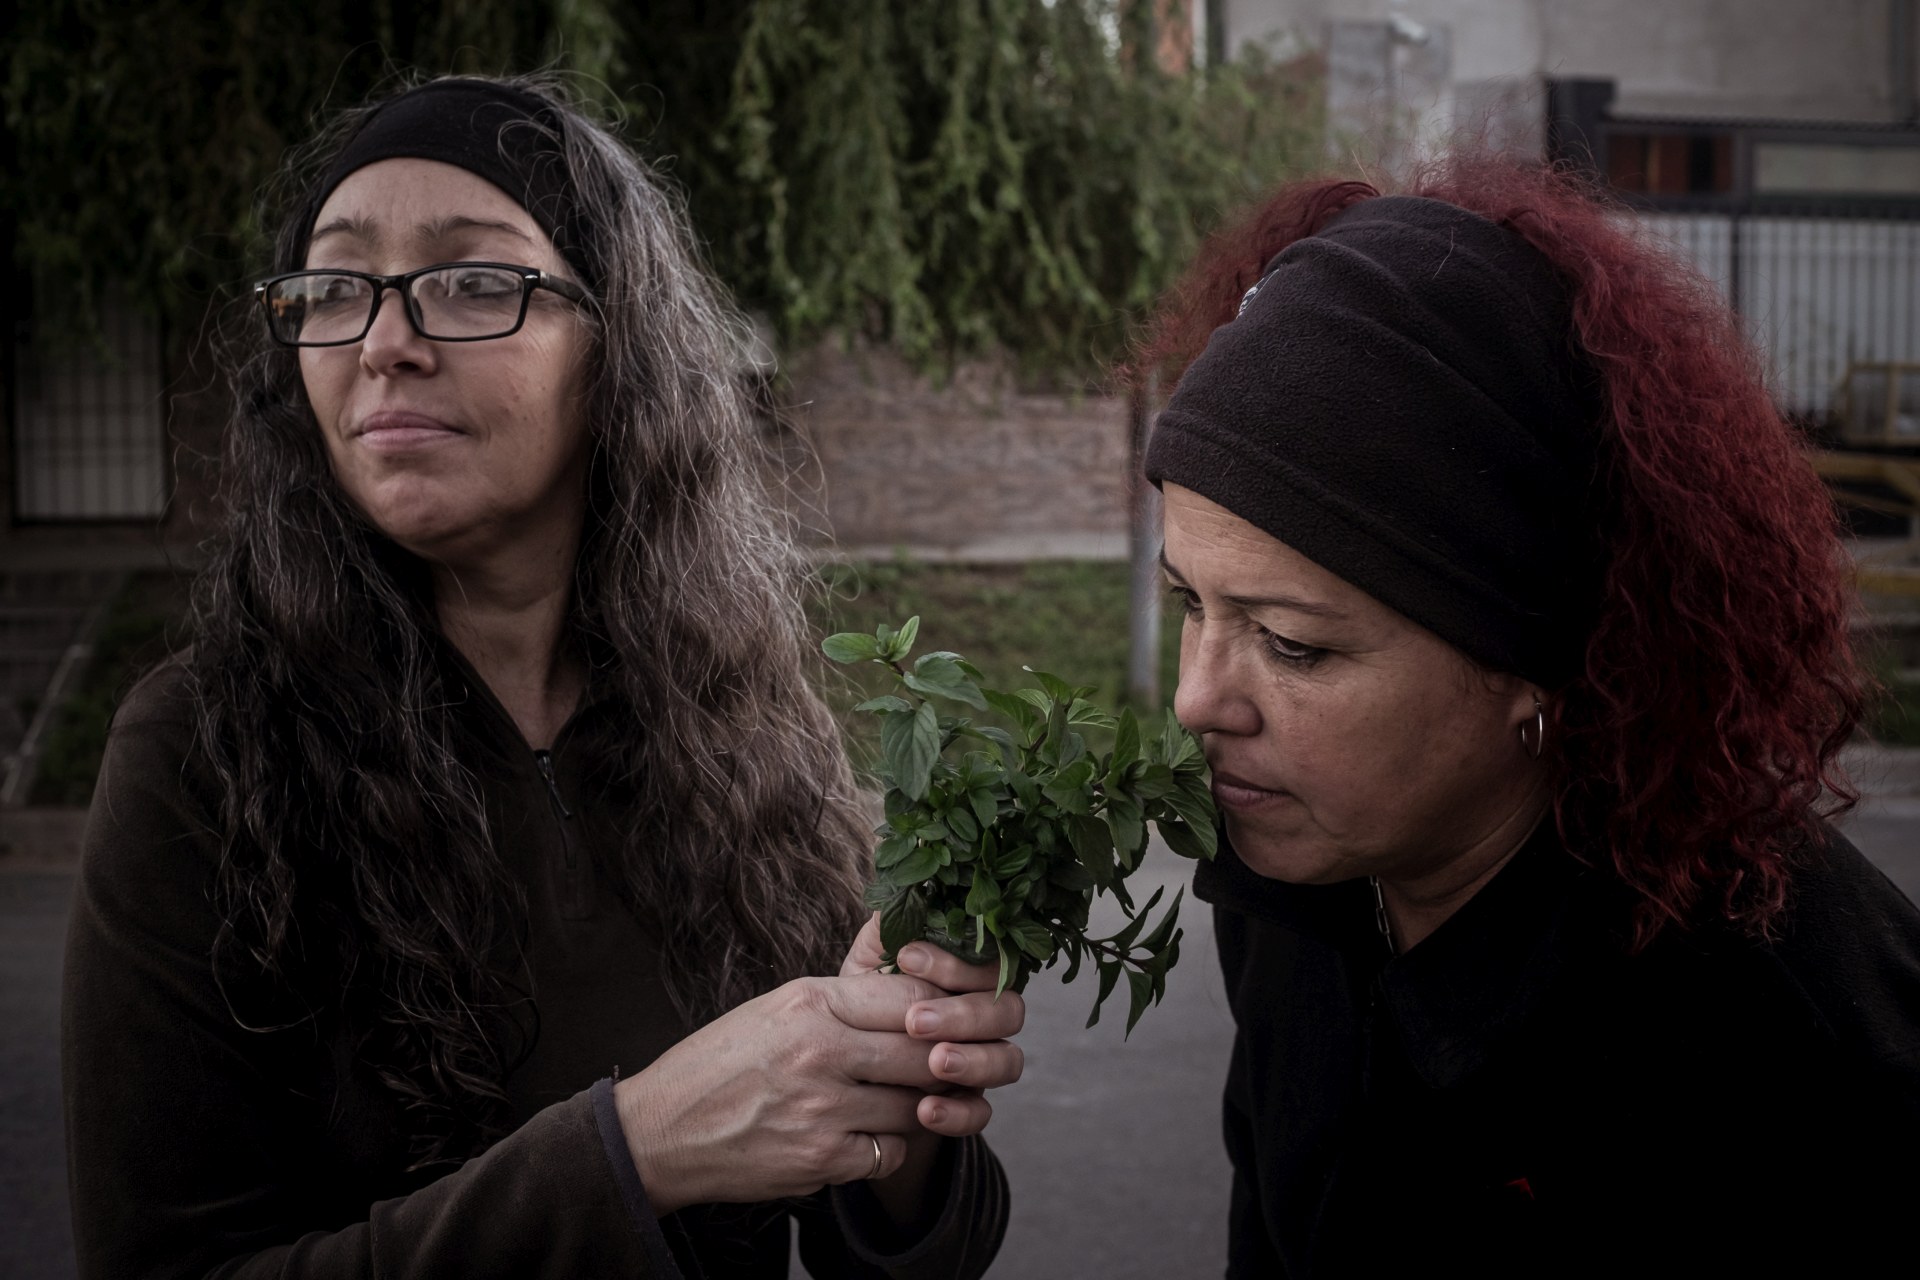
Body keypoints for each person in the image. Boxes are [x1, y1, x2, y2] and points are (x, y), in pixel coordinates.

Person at [62, 76, 1019, 1279]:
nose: (385, 341)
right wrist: (632, 1152)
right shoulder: (202, 752)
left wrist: (895, 1094)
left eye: (473, 281)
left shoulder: (739, 721)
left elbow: (904, 1247)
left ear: (614, 346)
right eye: (334, 287)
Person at [1134, 160, 1920, 1275]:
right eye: (1191, 602)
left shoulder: (1784, 1040)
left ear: (1536, 663)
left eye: (1293, 642)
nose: (1196, 699)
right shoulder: (1290, 891)